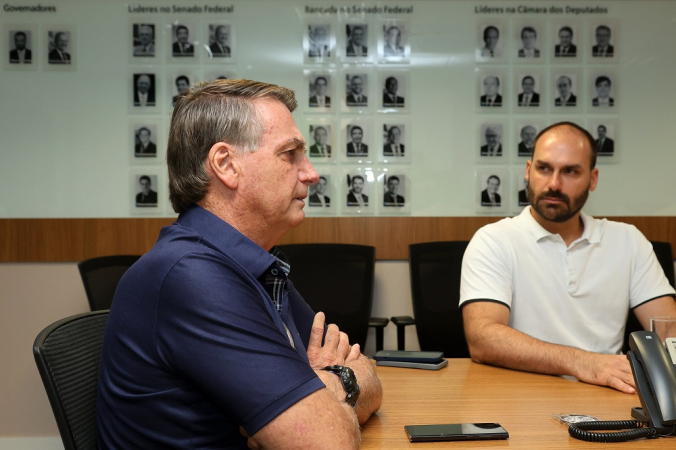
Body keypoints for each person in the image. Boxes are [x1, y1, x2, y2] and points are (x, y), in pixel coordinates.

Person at [97, 79, 382, 448]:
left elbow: (367, 372)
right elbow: (328, 442)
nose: (310, 173)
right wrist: (328, 386)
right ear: (226, 165)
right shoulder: (192, 274)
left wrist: (332, 381)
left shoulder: (251, 263)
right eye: (290, 153)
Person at [461, 121, 676, 394]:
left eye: (571, 171)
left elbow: (669, 332)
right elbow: (483, 339)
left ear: (593, 179)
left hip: (606, 396)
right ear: (528, 172)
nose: (554, 184)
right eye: (544, 168)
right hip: (518, 397)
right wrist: (584, 363)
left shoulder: (628, 240)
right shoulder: (494, 240)